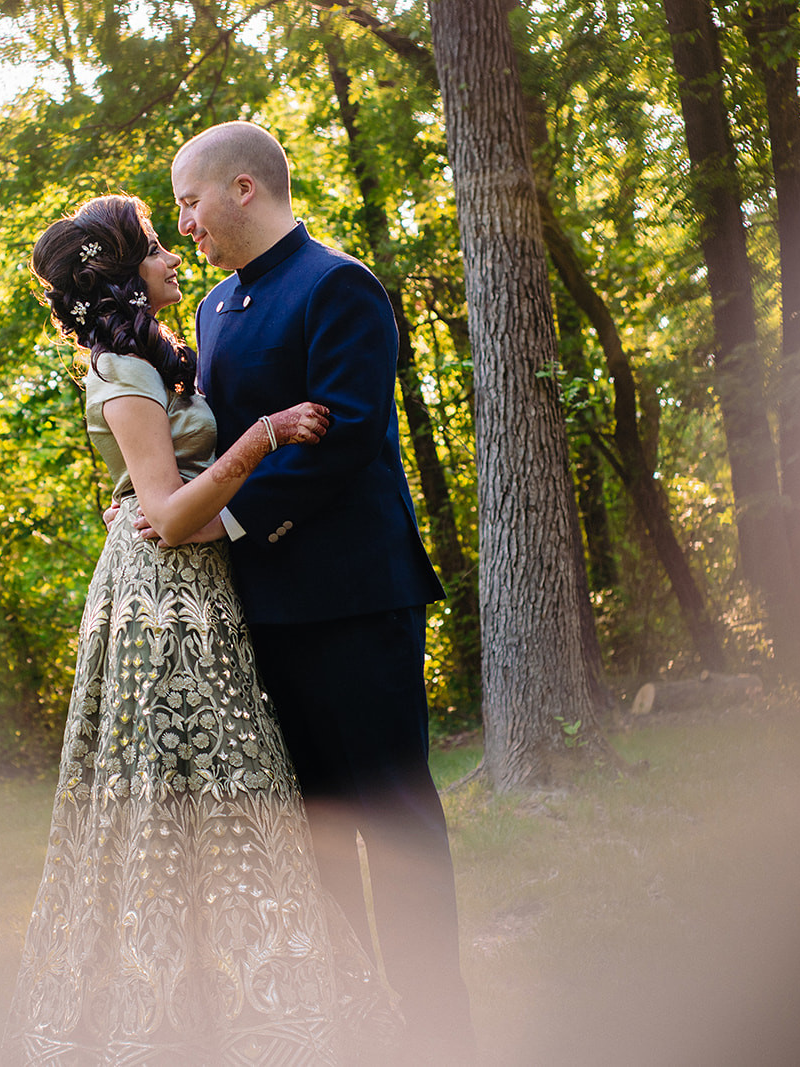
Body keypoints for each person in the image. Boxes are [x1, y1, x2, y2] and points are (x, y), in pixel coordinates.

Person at [4, 193, 399, 1065]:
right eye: (154, 244)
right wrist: (265, 432)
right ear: (120, 272)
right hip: (165, 602)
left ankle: (265, 1004)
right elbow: (173, 516)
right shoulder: (119, 372)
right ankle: (178, 1020)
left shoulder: (154, 355)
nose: (175, 251)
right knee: (190, 806)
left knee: (237, 801)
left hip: (201, 597)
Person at [162, 120, 475, 1062]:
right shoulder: (215, 310)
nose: (184, 226)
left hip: (353, 601)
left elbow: (341, 439)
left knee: (392, 817)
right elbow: (212, 448)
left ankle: (438, 1031)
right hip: (260, 613)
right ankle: (357, 1028)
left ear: (244, 188)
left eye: (190, 201)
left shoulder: (339, 285)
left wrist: (226, 520)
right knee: (316, 838)